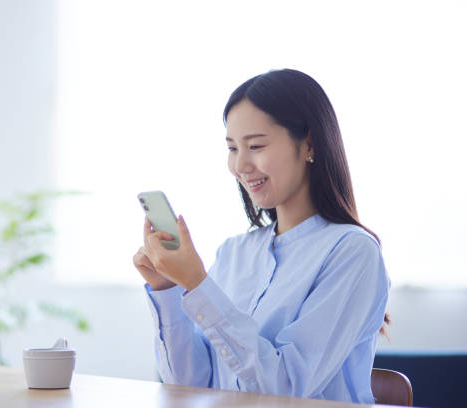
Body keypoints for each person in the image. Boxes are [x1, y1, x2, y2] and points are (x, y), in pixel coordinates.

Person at [132, 68, 391, 404]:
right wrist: (167, 289)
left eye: (255, 145)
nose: (241, 165)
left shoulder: (352, 252)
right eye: (232, 148)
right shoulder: (234, 252)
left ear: (309, 143)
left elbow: (284, 389)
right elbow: (189, 384)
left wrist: (198, 285)